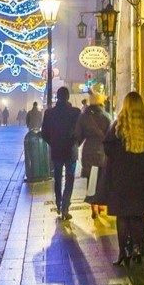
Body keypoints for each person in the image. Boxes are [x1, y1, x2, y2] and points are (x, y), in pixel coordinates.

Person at [105, 91, 144, 266]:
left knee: (123, 216)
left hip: (121, 178)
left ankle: (124, 250)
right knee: (139, 215)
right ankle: (139, 247)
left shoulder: (118, 126)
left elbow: (108, 149)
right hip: (141, 178)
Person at [40, 87, 83, 221]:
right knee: (69, 180)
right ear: (68, 97)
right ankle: (65, 205)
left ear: (57, 97)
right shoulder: (76, 112)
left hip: (57, 150)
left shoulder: (49, 113)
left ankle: (59, 203)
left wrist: (52, 142)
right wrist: (76, 143)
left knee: (57, 179)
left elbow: (44, 133)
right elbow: (81, 132)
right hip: (71, 150)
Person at [75, 95, 112, 220]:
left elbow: (78, 137)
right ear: (101, 102)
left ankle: (94, 206)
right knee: (102, 177)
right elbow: (110, 135)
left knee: (91, 178)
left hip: (89, 149)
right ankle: (101, 204)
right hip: (102, 150)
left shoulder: (83, 117)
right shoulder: (107, 116)